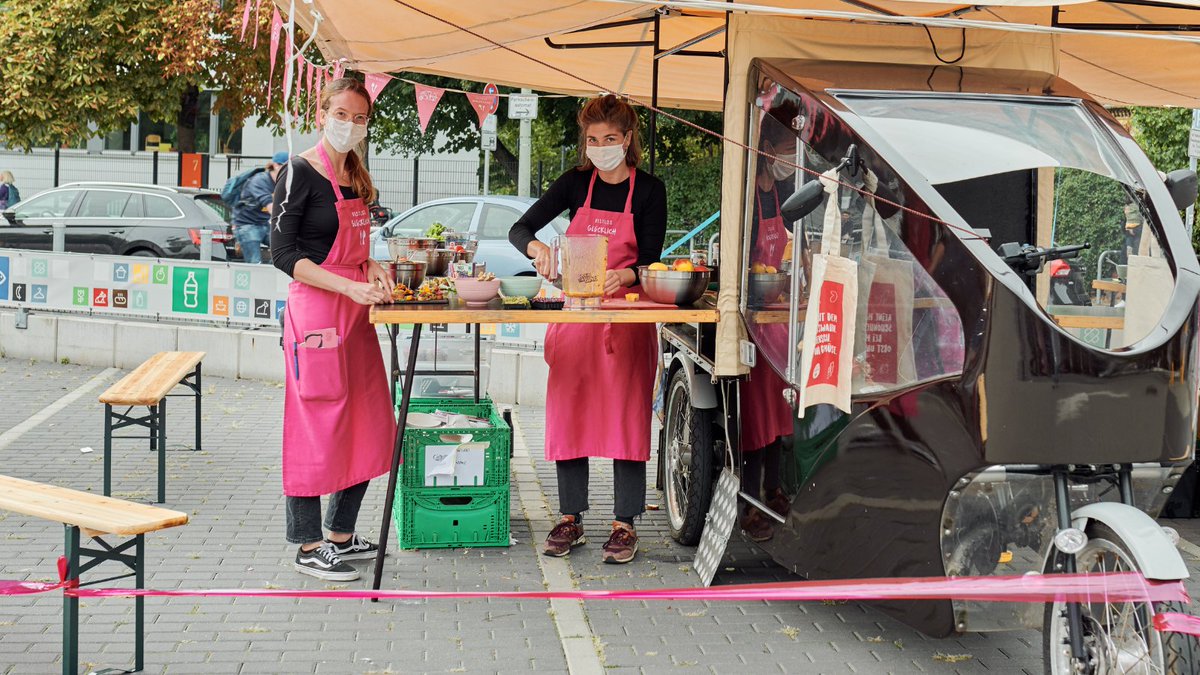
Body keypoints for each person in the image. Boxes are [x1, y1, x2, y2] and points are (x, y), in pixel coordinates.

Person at [508, 95, 667, 564]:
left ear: (628, 139)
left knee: (626, 417)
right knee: (570, 412)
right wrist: (536, 249)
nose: (600, 147)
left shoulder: (650, 190)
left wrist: (630, 274)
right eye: (593, 139)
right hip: (577, 315)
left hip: (627, 318)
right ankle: (570, 518)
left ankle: (625, 524)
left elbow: (652, 257)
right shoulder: (576, 183)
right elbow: (521, 228)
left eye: (610, 139)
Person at [270, 78, 396, 582]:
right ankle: (307, 544)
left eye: (359, 117)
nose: (349, 124)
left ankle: (341, 533)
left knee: (369, 421)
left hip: (357, 315)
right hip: (318, 317)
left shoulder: (357, 176)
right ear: (323, 112)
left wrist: (373, 268)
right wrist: (346, 287)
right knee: (314, 429)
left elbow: (356, 251)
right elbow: (283, 255)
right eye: (341, 113)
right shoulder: (298, 171)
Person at [740, 104, 801, 542]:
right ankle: (749, 502)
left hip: (778, 312)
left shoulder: (779, 192)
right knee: (755, 418)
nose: (792, 159)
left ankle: (775, 489)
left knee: (781, 409)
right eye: (787, 149)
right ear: (766, 148)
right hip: (750, 316)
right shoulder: (746, 192)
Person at [234, 152, 288, 264]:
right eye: (287, 167)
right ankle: (257, 274)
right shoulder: (259, 181)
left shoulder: (281, 183)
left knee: (284, 248)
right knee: (255, 262)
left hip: (263, 223)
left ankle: (272, 269)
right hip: (247, 225)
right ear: (276, 165)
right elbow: (271, 207)